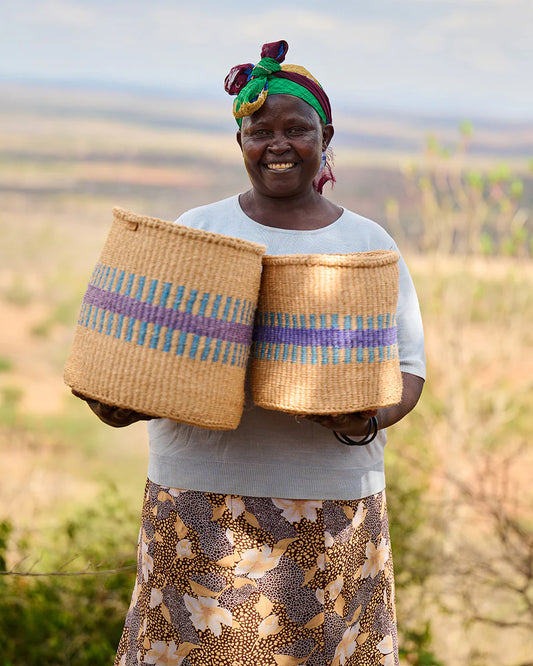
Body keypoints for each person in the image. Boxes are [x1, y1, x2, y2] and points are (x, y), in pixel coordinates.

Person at [82, 40, 425, 666]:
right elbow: (157, 354)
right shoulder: (200, 229)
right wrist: (122, 405)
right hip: (199, 499)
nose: (277, 144)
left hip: (332, 500)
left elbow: (408, 371)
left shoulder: (368, 242)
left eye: (296, 129)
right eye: (257, 130)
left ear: (326, 137)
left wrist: (367, 420)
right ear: (238, 141)